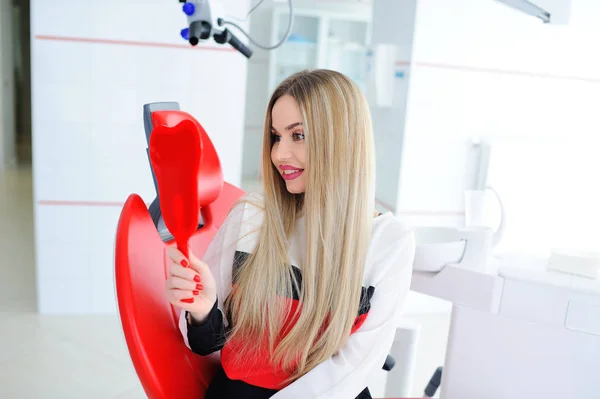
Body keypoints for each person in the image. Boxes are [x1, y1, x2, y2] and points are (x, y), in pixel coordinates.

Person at [165, 69, 415, 399]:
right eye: (275, 136)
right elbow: (209, 348)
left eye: (298, 135)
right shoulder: (252, 216)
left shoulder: (389, 242)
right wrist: (203, 311)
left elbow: (354, 369)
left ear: (342, 140)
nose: (279, 154)